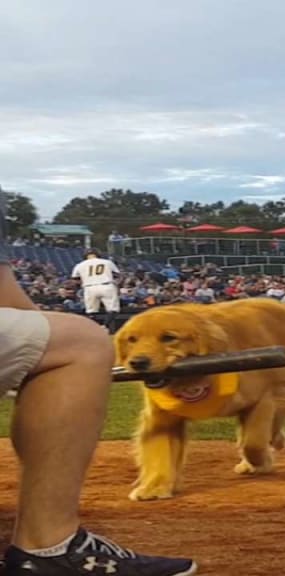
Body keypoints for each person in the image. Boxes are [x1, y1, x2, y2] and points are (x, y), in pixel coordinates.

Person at [0, 193, 197, 575]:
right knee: (85, 339)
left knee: (77, 325)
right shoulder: (106, 263)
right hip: (103, 291)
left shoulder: (82, 266)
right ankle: (48, 547)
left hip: (89, 291)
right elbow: (8, 300)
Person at [70, 248, 121, 332]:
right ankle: (105, 326)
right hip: (106, 285)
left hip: (89, 287)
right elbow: (117, 275)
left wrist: (83, 282)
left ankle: (96, 329)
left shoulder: (80, 264)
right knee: (113, 309)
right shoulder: (107, 262)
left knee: (91, 311)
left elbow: (75, 279)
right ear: (98, 254)